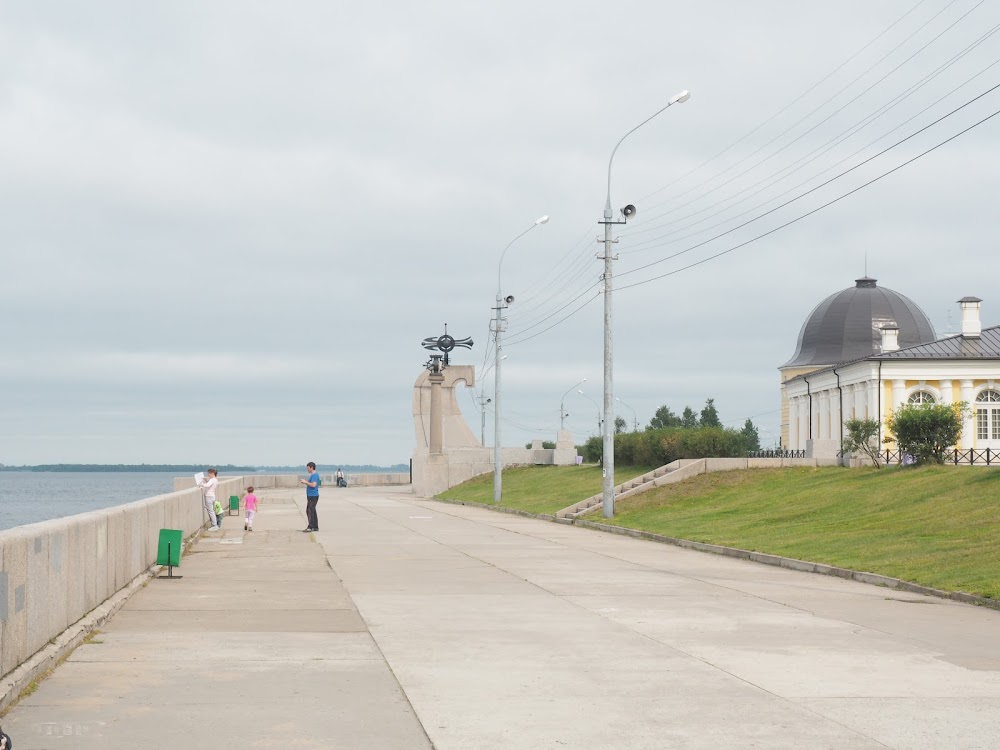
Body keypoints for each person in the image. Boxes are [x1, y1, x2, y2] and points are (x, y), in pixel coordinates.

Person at [299, 461, 320, 532]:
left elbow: (314, 485)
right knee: (313, 510)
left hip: (313, 496)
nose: (307, 469)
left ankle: (310, 527)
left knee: (309, 511)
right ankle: (315, 526)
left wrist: (305, 482)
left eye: (308, 468)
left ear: (311, 467)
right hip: (311, 496)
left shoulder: (315, 475)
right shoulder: (313, 475)